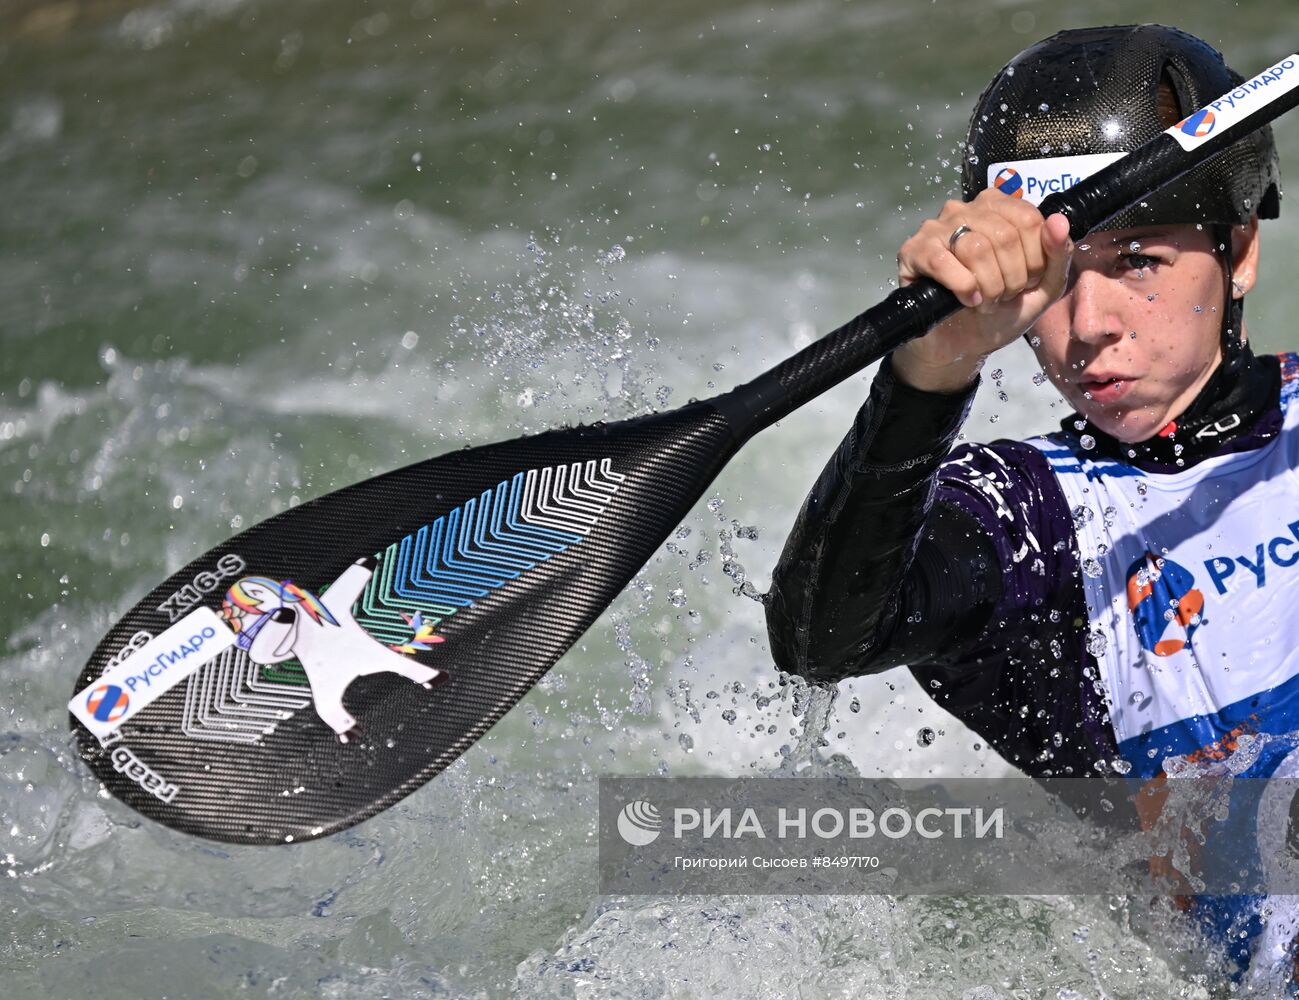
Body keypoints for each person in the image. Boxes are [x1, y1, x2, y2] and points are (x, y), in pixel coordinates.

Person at [764, 23, 1297, 986]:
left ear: (1240, 251)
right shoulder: (1027, 522)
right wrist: (929, 370)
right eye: (1058, 278)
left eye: (1137, 260)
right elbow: (819, 638)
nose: (1087, 327)